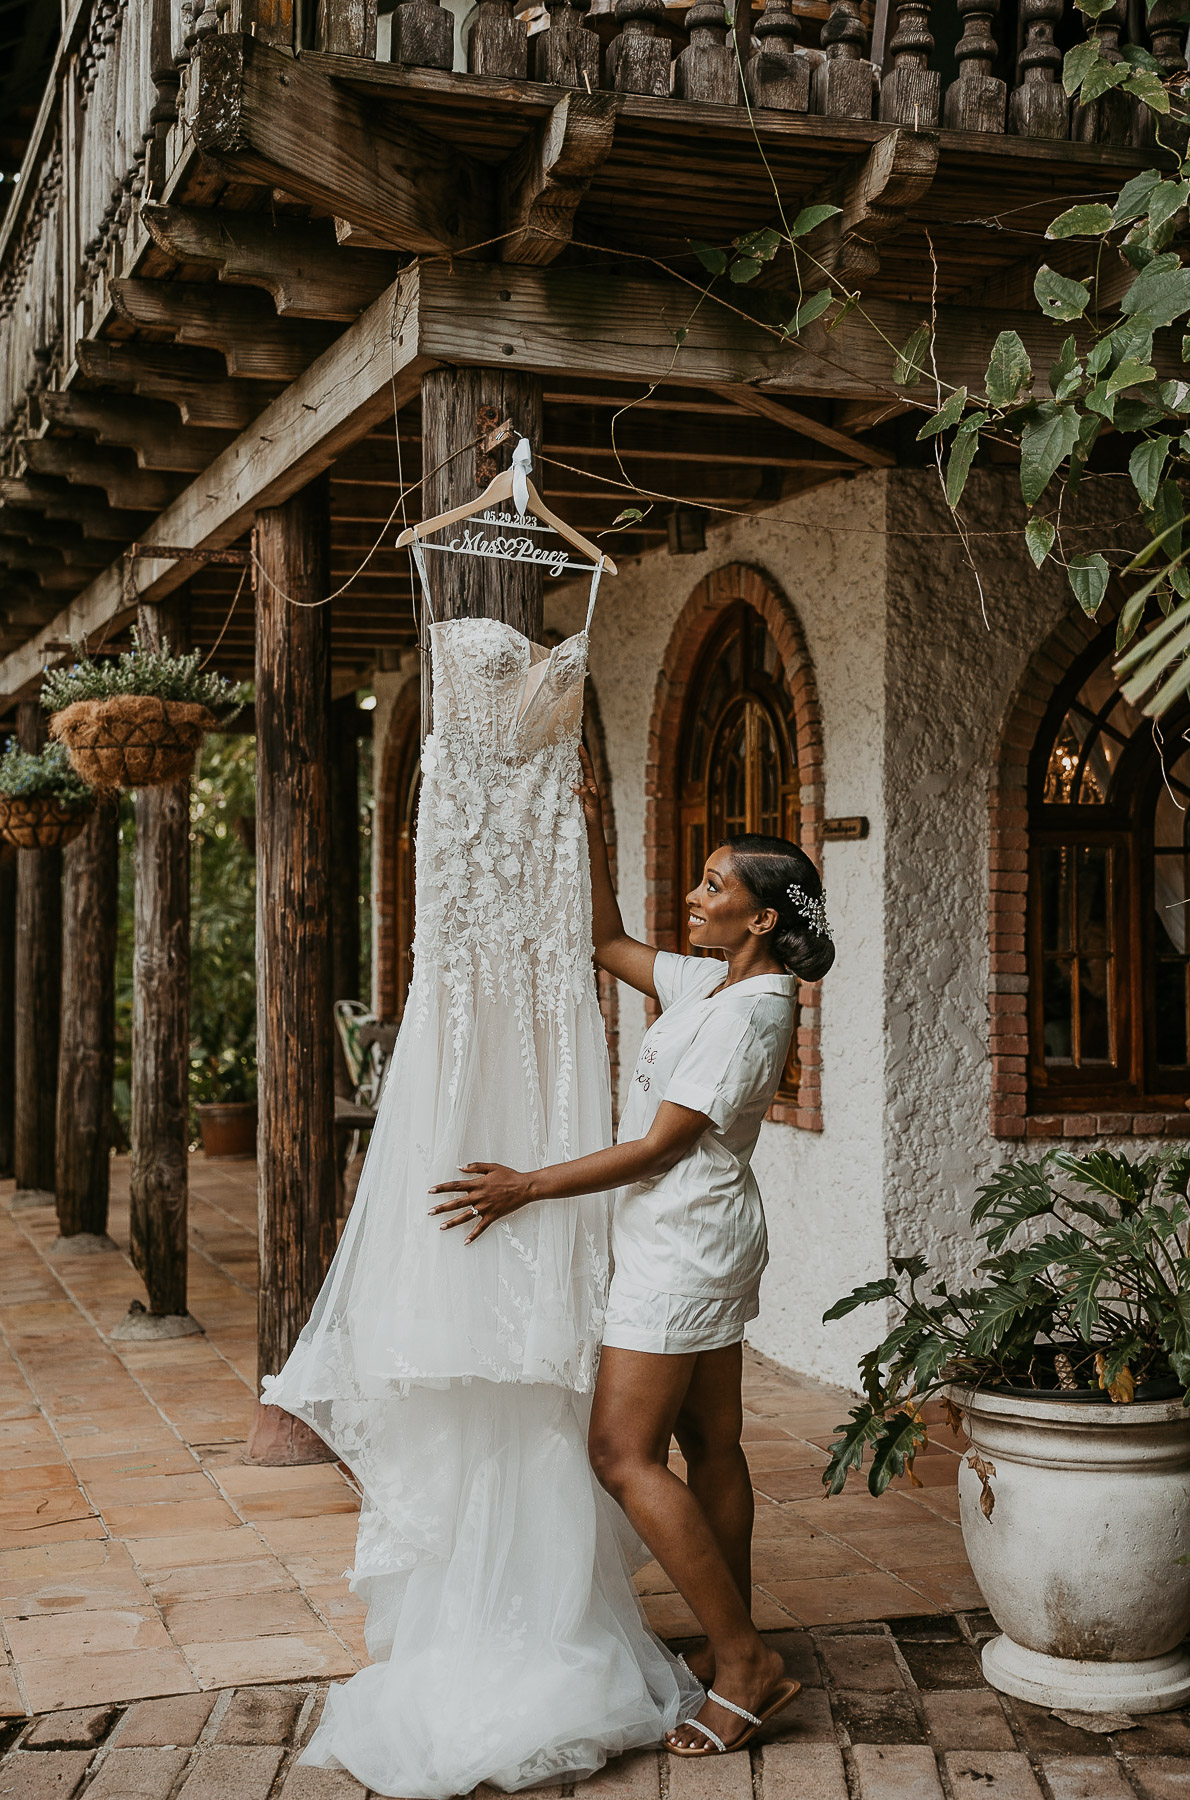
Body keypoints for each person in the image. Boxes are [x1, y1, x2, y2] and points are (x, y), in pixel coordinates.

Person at [262, 557, 700, 1799]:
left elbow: (601, 933)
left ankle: (540, 1614)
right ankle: (495, 1618)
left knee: (538, 1323)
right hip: (469, 983)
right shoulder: (448, 720)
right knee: (465, 1270)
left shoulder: (558, 714)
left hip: (545, 993)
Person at [431, 746, 835, 1758]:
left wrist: (526, 1185)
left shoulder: (751, 1015)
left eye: (713, 886)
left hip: (684, 1246)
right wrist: (588, 821)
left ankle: (745, 1663)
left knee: (621, 1453)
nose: (693, 897)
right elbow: (605, 939)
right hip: (697, 1235)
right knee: (712, 1445)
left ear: (764, 921)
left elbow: (660, 1145)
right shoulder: (708, 981)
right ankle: (731, 1638)